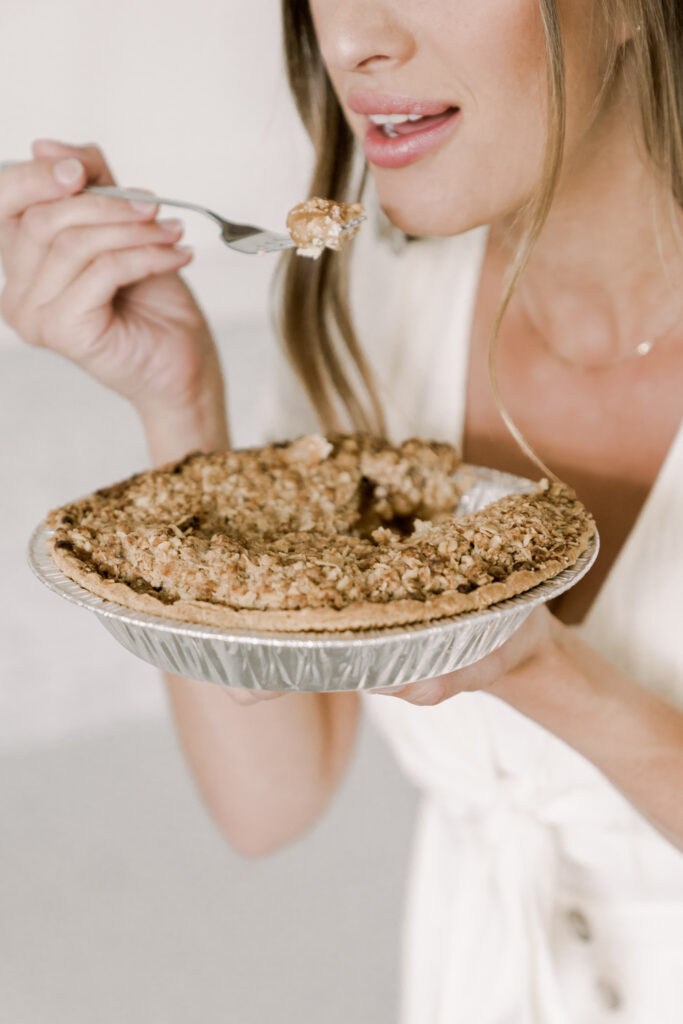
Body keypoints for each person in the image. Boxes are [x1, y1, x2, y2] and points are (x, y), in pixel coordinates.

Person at [1, 0, 682, 1020]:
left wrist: (538, 668)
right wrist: (179, 403)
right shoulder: (365, 308)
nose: (353, 38)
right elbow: (267, 801)